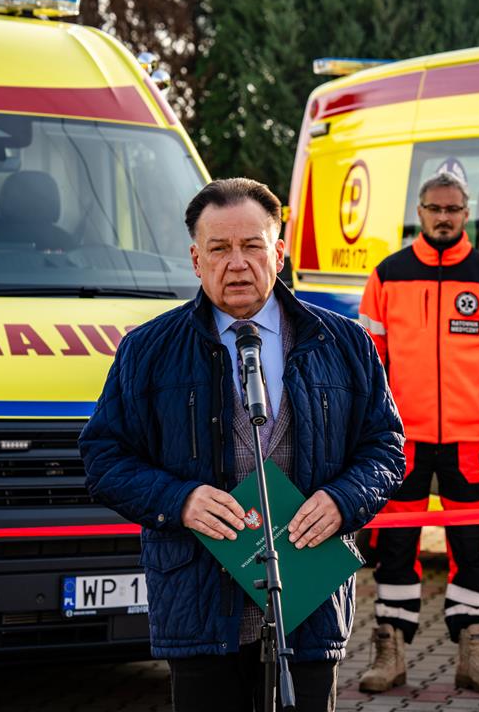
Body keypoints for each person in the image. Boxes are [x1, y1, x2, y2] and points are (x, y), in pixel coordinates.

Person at [79, 178, 405, 712]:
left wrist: (343, 499)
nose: (236, 264)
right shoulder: (148, 350)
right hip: (199, 602)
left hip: (308, 602)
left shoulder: (344, 343)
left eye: (252, 246)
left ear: (279, 253)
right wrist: (179, 500)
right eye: (219, 249)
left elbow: (386, 448)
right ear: (195, 259)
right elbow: (104, 457)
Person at [356, 169, 479, 695]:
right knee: (396, 545)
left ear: (466, 213)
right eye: (435, 209)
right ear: (420, 213)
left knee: (471, 549)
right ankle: (390, 652)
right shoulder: (388, 275)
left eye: (452, 209)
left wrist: (466, 400)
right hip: (402, 442)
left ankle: (474, 653)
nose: (444, 218)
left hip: (468, 440)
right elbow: (372, 358)